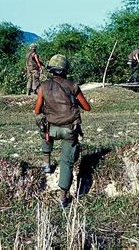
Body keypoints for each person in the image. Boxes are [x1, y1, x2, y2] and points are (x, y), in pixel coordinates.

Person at [34, 54, 91, 208]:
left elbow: (37, 110)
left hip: (51, 129)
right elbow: (87, 107)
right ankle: (63, 199)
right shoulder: (73, 86)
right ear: (66, 69)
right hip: (69, 130)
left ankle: (46, 162)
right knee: (66, 162)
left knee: (43, 130)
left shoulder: (44, 86)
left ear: (51, 69)